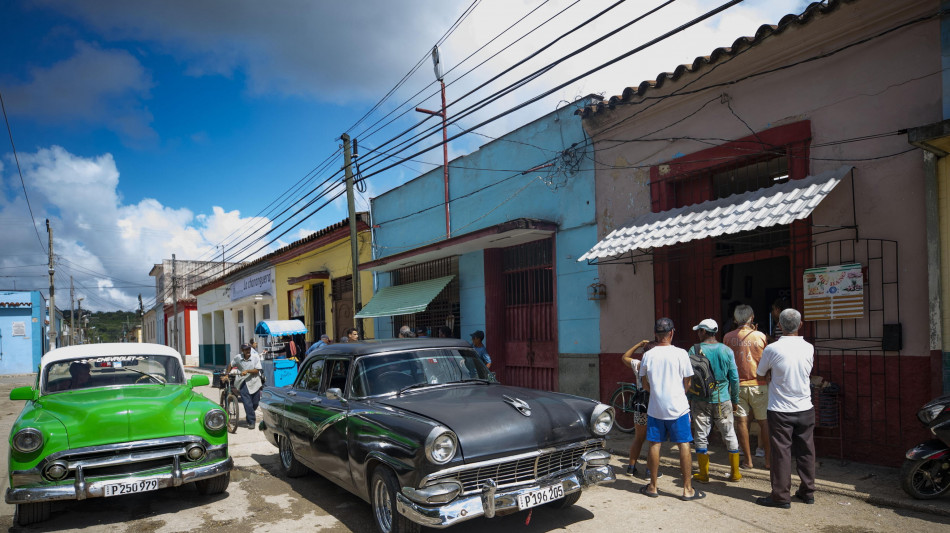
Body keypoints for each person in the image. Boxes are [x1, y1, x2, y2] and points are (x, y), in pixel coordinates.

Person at [755, 308, 816, 509]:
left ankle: (781, 496)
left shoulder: (772, 349)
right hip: (805, 406)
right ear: (800, 325)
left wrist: (771, 376)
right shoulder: (809, 348)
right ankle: (807, 492)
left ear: (779, 326)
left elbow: (760, 373)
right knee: (806, 450)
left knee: (781, 453)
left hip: (780, 409)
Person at [638, 318, 703, 501]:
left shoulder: (648, 355)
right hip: (679, 408)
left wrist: (658, 393)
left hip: (655, 408)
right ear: (672, 333)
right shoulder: (681, 353)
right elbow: (688, 382)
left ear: (655, 335)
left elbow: (644, 384)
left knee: (654, 444)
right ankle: (687, 489)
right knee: (684, 444)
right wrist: (677, 394)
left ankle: (653, 486)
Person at [688, 318, 742, 483]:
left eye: (699, 331)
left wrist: (688, 398)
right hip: (722, 399)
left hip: (700, 399)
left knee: (701, 435)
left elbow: (687, 377)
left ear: (704, 332)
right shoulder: (726, 351)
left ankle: (704, 474)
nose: (698, 334)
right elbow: (734, 378)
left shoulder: (693, 350)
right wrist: (735, 400)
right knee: (729, 433)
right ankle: (735, 473)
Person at [723, 304, 771, 469]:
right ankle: (768, 461)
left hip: (737, 386)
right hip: (759, 384)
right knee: (764, 422)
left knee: (742, 423)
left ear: (735, 319)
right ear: (752, 317)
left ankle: (748, 461)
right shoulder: (761, 337)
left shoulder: (728, 337)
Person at [621, 338, 661, 479]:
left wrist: (638, 344)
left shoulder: (638, 364)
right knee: (653, 440)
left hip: (640, 405)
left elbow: (625, 357)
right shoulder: (659, 366)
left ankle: (631, 467)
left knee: (638, 438)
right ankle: (650, 471)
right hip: (655, 405)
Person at [224, 343, 263, 429]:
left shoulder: (255, 358)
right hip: (243, 382)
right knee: (247, 403)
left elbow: (257, 370)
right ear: (242, 351)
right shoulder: (238, 358)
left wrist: (247, 371)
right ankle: (251, 421)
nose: (248, 351)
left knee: (255, 403)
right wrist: (227, 373)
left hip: (255, 382)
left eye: (248, 349)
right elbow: (231, 364)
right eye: (245, 349)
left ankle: (249, 414)